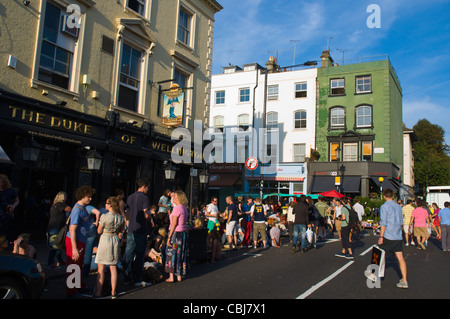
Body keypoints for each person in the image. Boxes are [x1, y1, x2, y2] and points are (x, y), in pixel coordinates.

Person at [370, 188, 408, 288]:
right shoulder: (399, 207)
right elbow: (401, 222)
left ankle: (374, 275)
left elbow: (384, 223)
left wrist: (381, 236)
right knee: (400, 258)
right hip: (397, 235)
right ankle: (404, 279)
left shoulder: (384, 206)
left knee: (378, 253)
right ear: (393, 196)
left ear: (384, 196)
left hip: (388, 235)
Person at [65, 185, 95, 297]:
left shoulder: (82, 208)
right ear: (82, 196)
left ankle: (79, 286)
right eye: (89, 196)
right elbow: (72, 229)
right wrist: (74, 248)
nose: (90, 199)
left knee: (79, 265)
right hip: (75, 241)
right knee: (73, 265)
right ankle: (71, 292)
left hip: (81, 240)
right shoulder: (77, 210)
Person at [94, 196, 125, 298]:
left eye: (107, 203)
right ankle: (113, 291)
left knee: (101, 267)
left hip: (105, 238)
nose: (105, 205)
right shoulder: (120, 217)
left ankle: (98, 292)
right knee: (113, 267)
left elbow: (99, 231)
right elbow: (122, 229)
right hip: (115, 239)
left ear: (110, 204)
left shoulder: (105, 216)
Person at [124, 177, 152, 287]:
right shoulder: (144, 198)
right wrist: (150, 217)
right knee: (140, 254)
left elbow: (127, 212)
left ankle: (126, 277)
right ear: (144, 187)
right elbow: (145, 214)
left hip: (131, 228)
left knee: (129, 253)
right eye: (147, 188)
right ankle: (137, 279)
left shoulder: (130, 197)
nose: (148, 190)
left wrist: (128, 223)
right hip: (140, 229)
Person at [165, 190, 189, 283]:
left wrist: (169, 237)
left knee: (172, 254)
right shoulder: (184, 208)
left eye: (174, 197)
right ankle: (179, 274)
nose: (172, 198)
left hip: (175, 233)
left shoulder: (177, 208)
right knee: (180, 254)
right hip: (182, 232)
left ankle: (171, 276)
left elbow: (174, 223)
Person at [47, 191, 71, 269]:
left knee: (55, 244)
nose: (66, 198)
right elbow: (69, 209)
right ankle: (52, 262)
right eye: (65, 197)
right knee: (56, 245)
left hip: (52, 227)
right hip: (56, 227)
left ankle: (58, 260)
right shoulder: (60, 205)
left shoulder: (54, 205)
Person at [0, 174, 19, 239]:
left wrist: (13, 207)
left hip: (6, 211)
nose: (0, 184)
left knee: (3, 231)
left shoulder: (10, 190)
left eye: (1, 182)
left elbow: (17, 200)